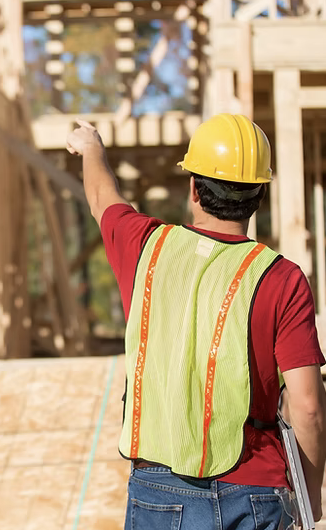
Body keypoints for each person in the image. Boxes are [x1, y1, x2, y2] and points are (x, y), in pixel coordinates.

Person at [64, 114, 325, 529]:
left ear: (193, 189)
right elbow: (308, 407)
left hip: (159, 491)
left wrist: (92, 146)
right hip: (256, 492)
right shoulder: (282, 277)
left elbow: (102, 196)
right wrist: (310, 502)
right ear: (259, 195)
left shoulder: (146, 248)